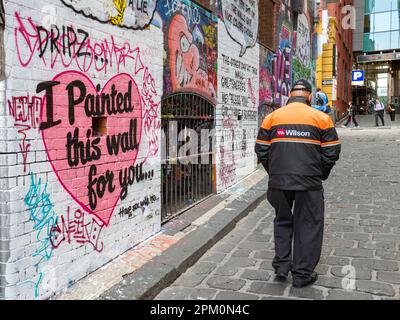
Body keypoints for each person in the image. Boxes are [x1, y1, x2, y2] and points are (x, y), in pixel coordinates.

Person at [255, 79, 341, 288]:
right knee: (308, 225)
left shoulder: (272, 118)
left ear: (290, 95)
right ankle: (302, 274)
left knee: (282, 221)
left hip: (279, 183)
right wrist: (320, 174)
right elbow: (332, 152)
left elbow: (261, 149)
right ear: (310, 96)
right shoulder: (322, 118)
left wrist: (275, 173)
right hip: (308, 184)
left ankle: (282, 267)